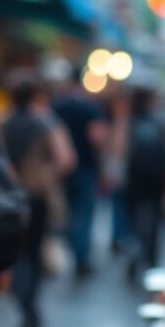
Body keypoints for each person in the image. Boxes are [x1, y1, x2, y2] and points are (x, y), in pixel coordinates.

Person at [1, 78, 75, 327]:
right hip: (38, 197)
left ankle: (24, 303)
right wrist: (47, 176)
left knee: (16, 253)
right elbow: (66, 159)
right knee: (33, 252)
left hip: (7, 198)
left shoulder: (1, 123)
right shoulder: (45, 122)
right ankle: (30, 305)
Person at [53, 75, 107, 277]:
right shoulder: (88, 107)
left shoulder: (57, 106)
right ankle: (81, 254)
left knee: (68, 212)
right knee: (83, 213)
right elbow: (98, 138)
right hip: (84, 167)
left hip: (63, 170)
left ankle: (75, 248)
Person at [123, 86, 165, 278]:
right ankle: (150, 257)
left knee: (134, 218)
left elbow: (120, 149)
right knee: (154, 220)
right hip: (156, 177)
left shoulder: (129, 121)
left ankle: (134, 251)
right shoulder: (160, 121)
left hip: (134, 177)